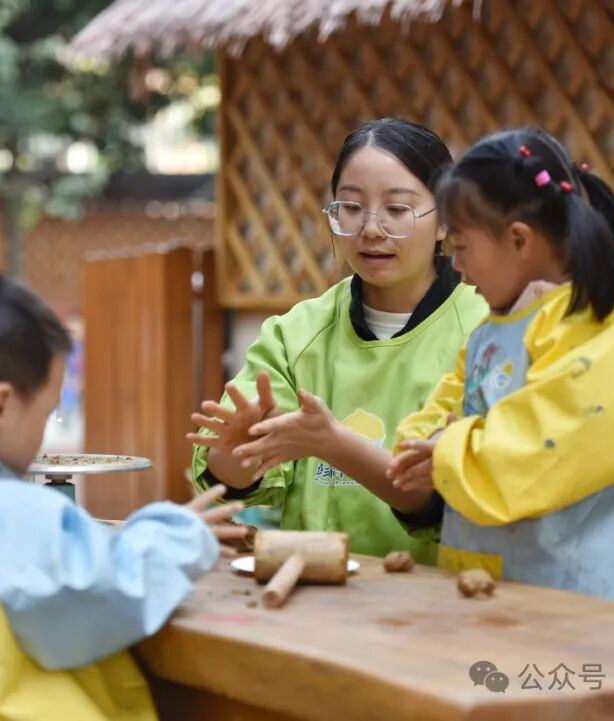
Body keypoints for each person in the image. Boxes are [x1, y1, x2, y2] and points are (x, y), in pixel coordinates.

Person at [0, 270, 243, 721]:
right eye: (45, 413)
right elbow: (107, 594)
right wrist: (180, 535)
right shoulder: (9, 515)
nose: (43, 433)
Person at [388, 127, 614, 612]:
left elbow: (553, 443)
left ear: (518, 240)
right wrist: (418, 449)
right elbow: (445, 411)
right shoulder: (490, 333)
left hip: (600, 608)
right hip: (507, 599)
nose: (459, 271)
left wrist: (449, 452)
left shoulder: (611, 316)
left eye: (463, 249)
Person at [189, 118, 487, 565]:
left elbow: (464, 492)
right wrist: (234, 453)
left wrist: (331, 442)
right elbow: (236, 479)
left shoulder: (486, 331)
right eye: (350, 206)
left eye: (397, 209)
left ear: (445, 220)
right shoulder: (295, 334)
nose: (371, 229)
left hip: (444, 593)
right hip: (316, 589)